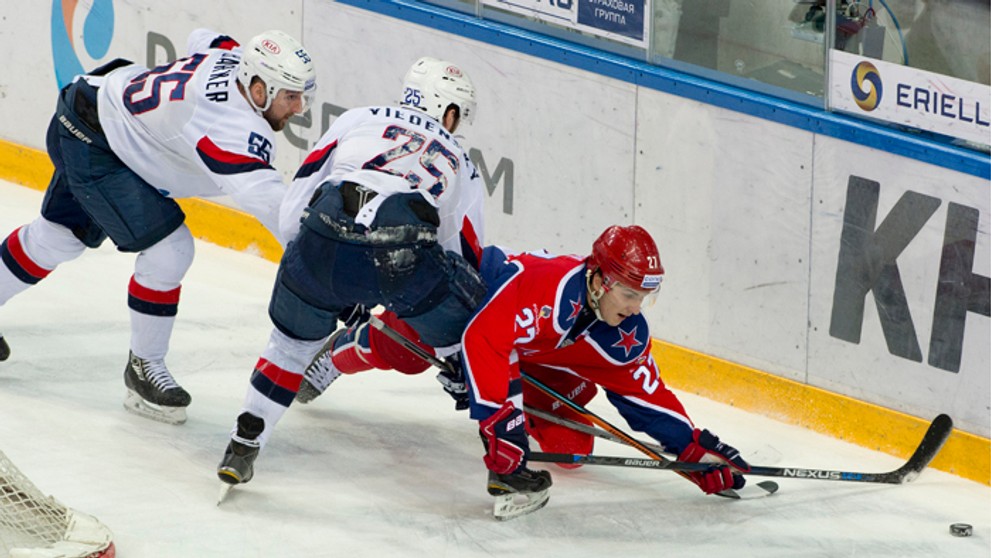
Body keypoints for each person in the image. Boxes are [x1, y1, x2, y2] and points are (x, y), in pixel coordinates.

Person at [0, 29, 316, 424]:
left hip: (96, 106)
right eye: (290, 95)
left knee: (55, 239)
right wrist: (324, 272)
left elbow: (205, 37)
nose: (299, 107)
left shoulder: (234, 60)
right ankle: (144, 367)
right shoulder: (231, 130)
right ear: (257, 88)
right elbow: (276, 211)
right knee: (171, 250)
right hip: (96, 139)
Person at [217, 57, 486, 488]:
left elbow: (294, 208)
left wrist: (322, 273)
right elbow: (464, 255)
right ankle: (499, 441)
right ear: (449, 112)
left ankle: (245, 440)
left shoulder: (357, 119)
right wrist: (457, 341)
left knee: (288, 348)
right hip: (404, 254)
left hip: (325, 237)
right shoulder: (463, 162)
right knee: (464, 330)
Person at [461, 225, 751, 518]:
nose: (636, 308)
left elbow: (646, 397)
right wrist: (500, 422)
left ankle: (526, 405)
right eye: (628, 294)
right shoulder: (550, 288)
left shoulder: (625, 333)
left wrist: (692, 449)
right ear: (600, 280)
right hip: (473, 308)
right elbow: (484, 338)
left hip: (528, 354)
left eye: (644, 296)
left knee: (571, 448)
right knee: (413, 360)